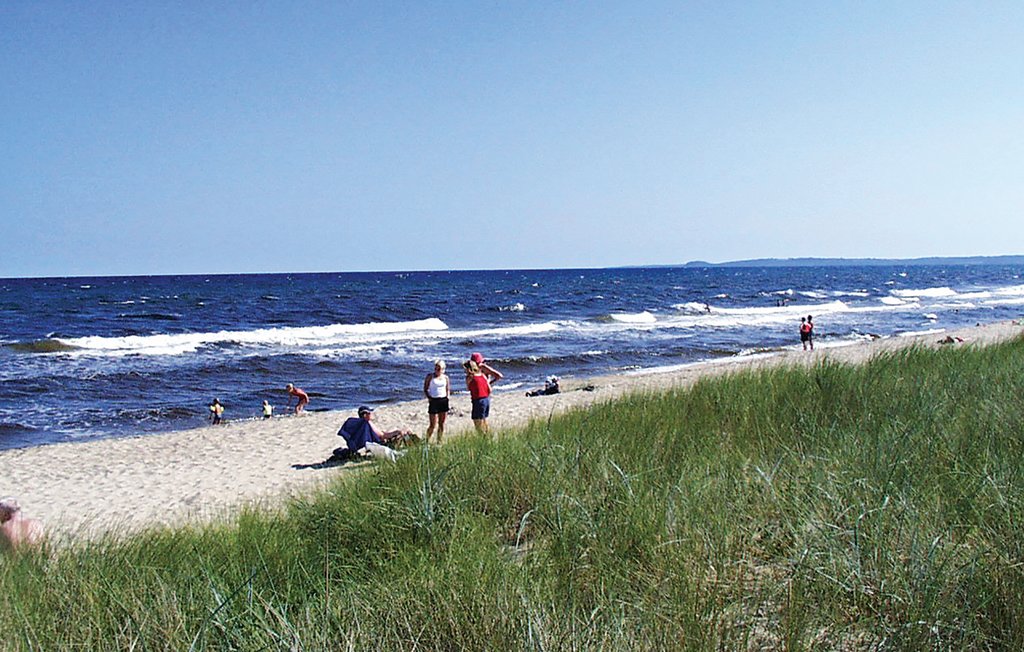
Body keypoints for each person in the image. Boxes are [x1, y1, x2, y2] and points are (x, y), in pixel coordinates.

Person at [335, 406, 414, 462]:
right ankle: (414, 447)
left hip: (374, 444)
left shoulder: (361, 426)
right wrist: (397, 432)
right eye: (370, 413)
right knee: (406, 433)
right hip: (381, 444)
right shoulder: (367, 424)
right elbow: (382, 436)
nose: (372, 414)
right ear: (366, 415)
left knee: (404, 431)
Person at [423, 360, 450, 443]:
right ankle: (426, 440)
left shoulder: (445, 378)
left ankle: (439, 440)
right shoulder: (430, 377)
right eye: (436, 368)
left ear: (443, 369)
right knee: (432, 424)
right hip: (434, 401)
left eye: (439, 369)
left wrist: (447, 397)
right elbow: (425, 388)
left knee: (441, 423)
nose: (437, 371)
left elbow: (448, 388)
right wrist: (429, 397)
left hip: (443, 400)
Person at [464, 359, 492, 435]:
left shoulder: (470, 377)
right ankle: (488, 436)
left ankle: (482, 438)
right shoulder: (483, 375)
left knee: (477, 422)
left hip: (478, 400)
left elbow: (468, 388)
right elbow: (489, 389)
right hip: (486, 399)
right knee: (484, 420)